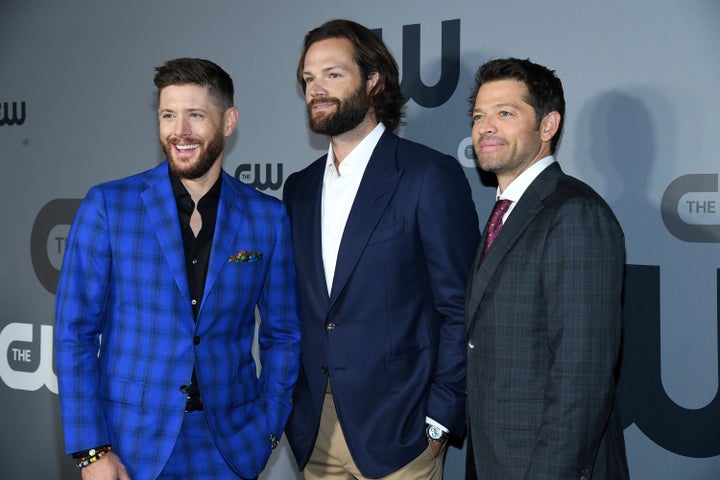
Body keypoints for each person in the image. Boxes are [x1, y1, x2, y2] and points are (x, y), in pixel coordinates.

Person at [54, 57, 301, 480]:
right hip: (131, 445)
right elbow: (74, 333)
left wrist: (268, 430)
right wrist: (92, 452)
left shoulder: (267, 217)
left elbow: (283, 335)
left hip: (231, 446)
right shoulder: (110, 206)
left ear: (228, 121)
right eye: (168, 115)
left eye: (195, 115)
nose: (179, 131)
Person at [282, 19, 479, 480]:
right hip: (315, 429)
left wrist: (440, 418)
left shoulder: (428, 175)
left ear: (373, 81)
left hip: (402, 430)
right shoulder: (299, 188)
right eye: (309, 78)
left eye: (333, 74)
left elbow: (462, 307)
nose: (316, 88)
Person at [464, 57, 630, 479]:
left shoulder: (575, 213)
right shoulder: (505, 212)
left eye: (505, 113)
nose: (485, 127)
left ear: (548, 125)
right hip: (494, 459)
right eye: (479, 115)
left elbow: (583, 378)